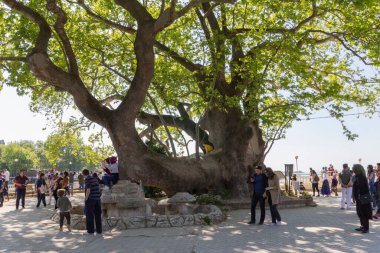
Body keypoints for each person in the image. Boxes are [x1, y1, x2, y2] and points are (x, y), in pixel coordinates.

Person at [352, 164, 372, 233]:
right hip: (359, 198)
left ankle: (366, 228)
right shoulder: (357, 176)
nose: (353, 169)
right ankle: (362, 226)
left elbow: (361, 188)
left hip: (363, 198)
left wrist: (357, 196)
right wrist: (354, 196)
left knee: (364, 213)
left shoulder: (361, 177)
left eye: (354, 168)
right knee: (360, 212)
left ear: (357, 169)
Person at [83, 169, 102, 234]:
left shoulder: (87, 179)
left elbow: (88, 190)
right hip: (97, 199)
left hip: (91, 199)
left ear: (83, 174)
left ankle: (90, 230)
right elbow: (99, 188)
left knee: (89, 215)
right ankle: (99, 230)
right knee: (98, 215)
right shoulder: (95, 179)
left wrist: (86, 199)